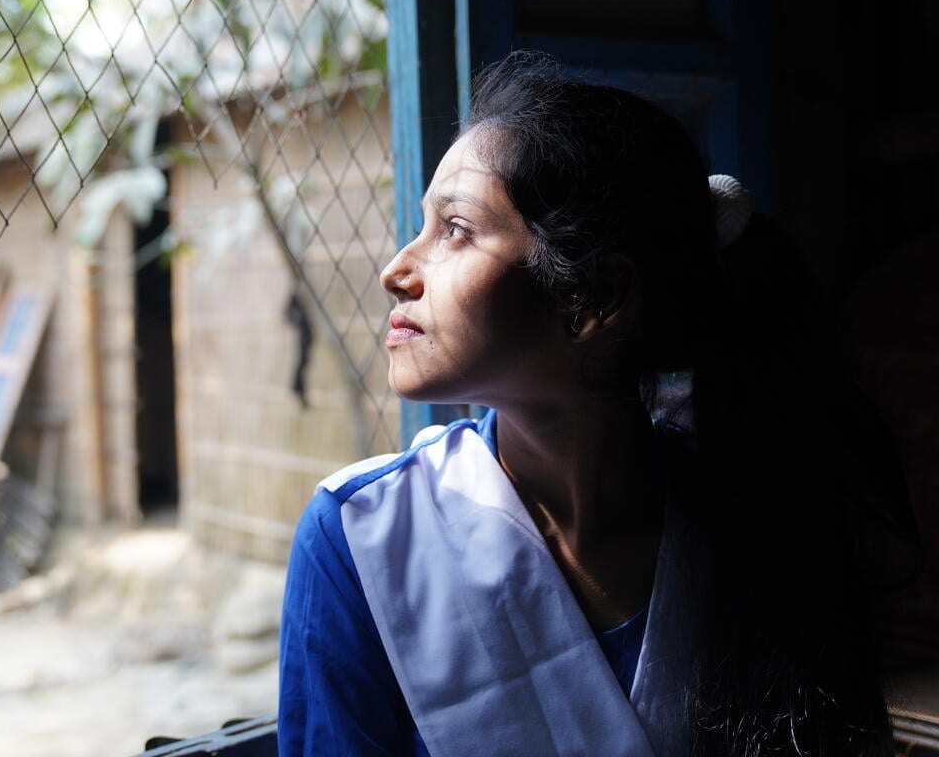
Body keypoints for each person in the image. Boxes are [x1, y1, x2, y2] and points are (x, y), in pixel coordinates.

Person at [278, 51, 904, 756]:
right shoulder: (361, 541)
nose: (397, 270)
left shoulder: (754, 505)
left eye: (454, 229)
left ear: (594, 297)